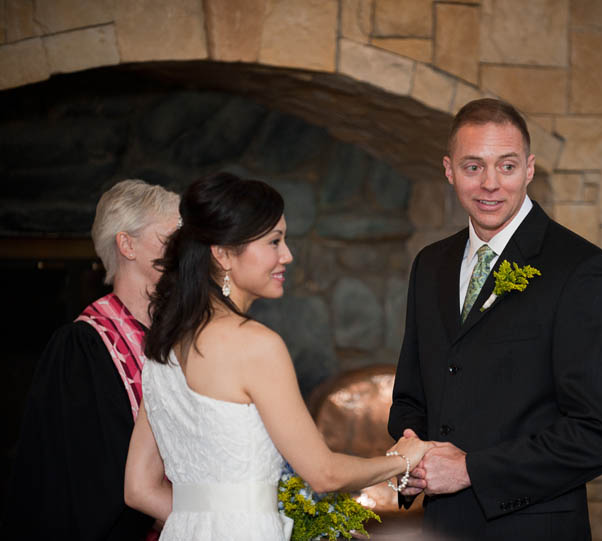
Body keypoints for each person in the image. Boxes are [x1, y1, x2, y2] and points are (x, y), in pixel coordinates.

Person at [124, 172, 433, 540]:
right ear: (222, 254)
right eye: (274, 241)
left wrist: (204, 520)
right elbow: (324, 473)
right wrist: (404, 459)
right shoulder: (256, 344)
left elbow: (139, 489)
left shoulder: (163, 346)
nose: (286, 255)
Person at [388, 98, 602, 539]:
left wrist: (470, 470)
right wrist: (412, 450)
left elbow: (601, 432)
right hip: (442, 526)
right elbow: (411, 394)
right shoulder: (430, 265)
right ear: (448, 170)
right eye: (472, 167)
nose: (490, 184)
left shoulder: (580, 269)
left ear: (529, 168)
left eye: (506, 166)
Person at [2, 180, 180, 540]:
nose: (184, 252)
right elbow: (90, 479)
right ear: (126, 245)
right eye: (171, 239)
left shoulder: (177, 338)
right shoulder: (82, 348)